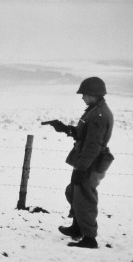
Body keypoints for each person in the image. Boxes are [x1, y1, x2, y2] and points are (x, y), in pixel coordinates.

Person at [46, 77, 114, 248]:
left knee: (84, 198)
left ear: (93, 94)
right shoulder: (94, 110)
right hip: (86, 160)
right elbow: (85, 135)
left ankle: (89, 238)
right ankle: (77, 228)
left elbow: (92, 145)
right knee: (73, 192)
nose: (82, 97)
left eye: (84, 94)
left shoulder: (98, 115)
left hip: (91, 162)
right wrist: (66, 129)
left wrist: (82, 169)